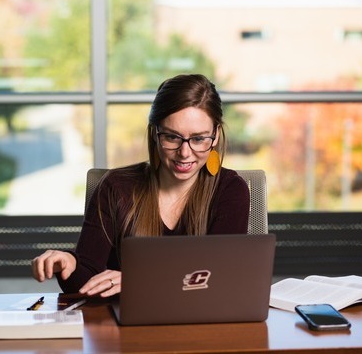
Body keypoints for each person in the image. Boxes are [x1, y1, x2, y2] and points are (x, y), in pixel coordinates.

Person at [32, 73, 250, 297]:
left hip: (204, 325)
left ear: (215, 136)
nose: (185, 153)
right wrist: (70, 263)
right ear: (155, 134)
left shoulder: (231, 190)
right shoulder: (116, 188)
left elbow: (220, 277)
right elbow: (88, 282)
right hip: (126, 325)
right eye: (172, 137)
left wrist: (140, 281)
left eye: (198, 139)